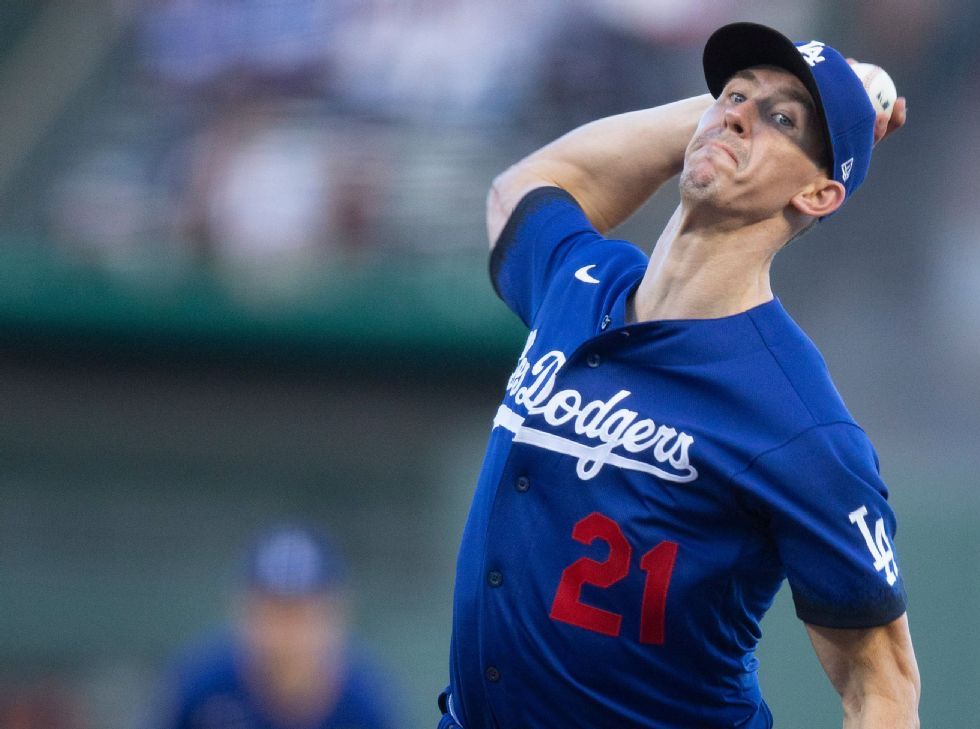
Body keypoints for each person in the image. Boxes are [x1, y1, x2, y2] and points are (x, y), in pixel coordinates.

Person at [442, 22, 919, 729]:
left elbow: (883, 689)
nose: (737, 113)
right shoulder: (584, 282)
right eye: (731, 93)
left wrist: (757, 118)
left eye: (781, 118)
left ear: (819, 195)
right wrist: (720, 122)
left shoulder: (799, 422)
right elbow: (526, 189)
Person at [154, 525, 397, 729]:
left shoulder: (365, 703)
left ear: (335, 613)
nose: (287, 632)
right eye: (273, 610)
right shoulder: (203, 687)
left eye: (301, 613)